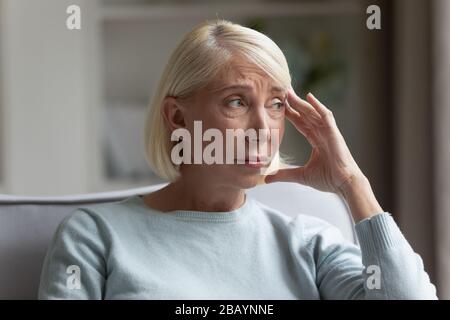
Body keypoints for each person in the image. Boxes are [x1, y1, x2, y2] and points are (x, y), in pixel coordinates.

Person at [38, 19, 437, 299]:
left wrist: (352, 182)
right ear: (178, 117)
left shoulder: (309, 244)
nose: (263, 126)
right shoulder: (94, 237)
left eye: (277, 104)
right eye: (236, 101)